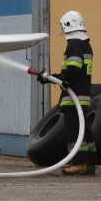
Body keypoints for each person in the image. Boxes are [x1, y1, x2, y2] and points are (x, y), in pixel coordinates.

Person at [36, 10, 96, 175]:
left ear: (67, 25)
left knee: (74, 130)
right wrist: (49, 78)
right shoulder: (85, 44)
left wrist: (63, 80)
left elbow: (72, 68)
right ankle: (90, 162)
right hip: (83, 96)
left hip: (73, 96)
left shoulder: (74, 44)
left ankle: (79, 163)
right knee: (85, 130)